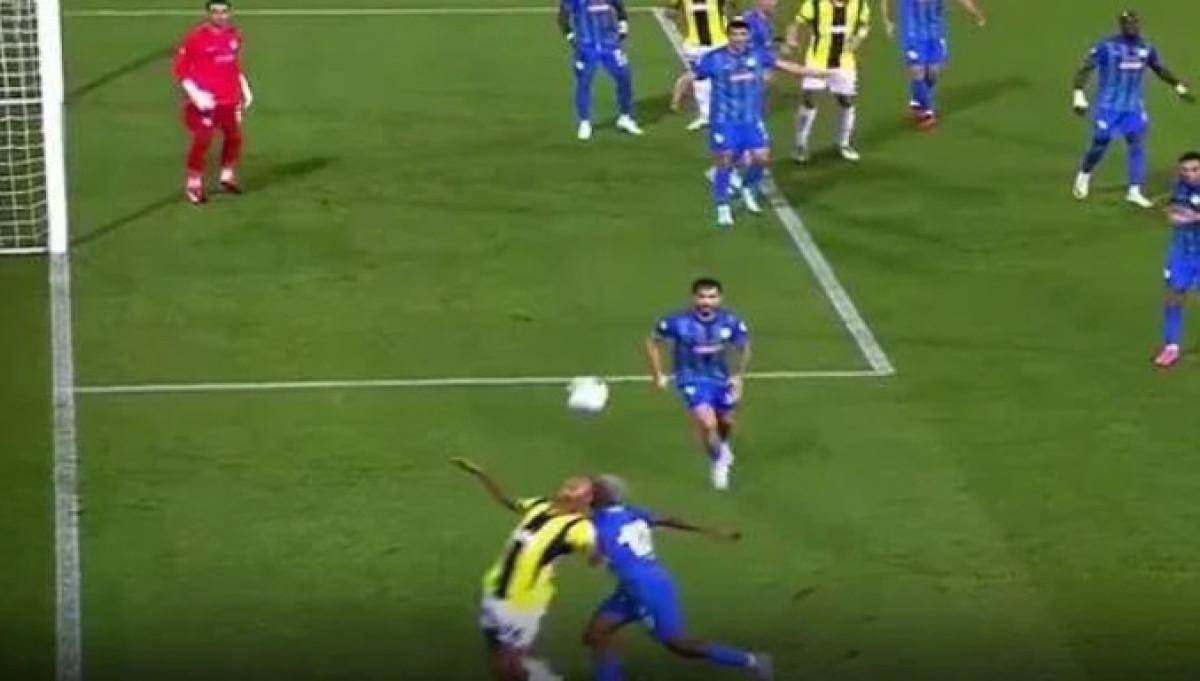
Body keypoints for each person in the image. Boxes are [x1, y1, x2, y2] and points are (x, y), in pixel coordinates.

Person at [582, 474, 772, 680]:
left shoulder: (599, 523)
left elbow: (594, 558)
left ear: (602, 498)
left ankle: (751, 661)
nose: (588, 496)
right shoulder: (631, 512)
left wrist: (596, 553)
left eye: (592, 492)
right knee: (598, 633)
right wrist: (706, 530)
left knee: (679, 644)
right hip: (634, 586)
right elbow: (668, 520)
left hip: (645, 589)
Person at [451, 458, 597, 681]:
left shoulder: (579, 527)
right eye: (569, 484)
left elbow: (594, 556)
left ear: (586, 500)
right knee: (498, 662)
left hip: (522, 604)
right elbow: (508, 502)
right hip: (494, 590)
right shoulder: (539, 505)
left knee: (512, 664)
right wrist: (482, 474)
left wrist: (601, 547)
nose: (567, 490)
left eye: (576, 489)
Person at [674, 20, 828, 226]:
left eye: (743, 35)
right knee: (725, 161)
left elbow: (786, 67)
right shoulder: (714, 58)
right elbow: (689, 77)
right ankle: (722, 206)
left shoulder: (757, 55)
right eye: (735, 34)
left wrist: (817, 73)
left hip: (751, 120)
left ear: (748, 36)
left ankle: (747, 187)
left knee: (761, 158)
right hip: (724, 121)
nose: (739, 39)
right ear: (729, 36)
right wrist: (677, 99)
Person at [1072, 11, 1194, 208]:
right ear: (1121, 26)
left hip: (1133, 107)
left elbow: (1159, 68)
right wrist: (1078, 94)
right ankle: (1084, 174)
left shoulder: (1146, 47)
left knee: (1136, 145)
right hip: (1108, 107)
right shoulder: (1107, 46)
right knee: (1101, 141)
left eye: (1134, 23)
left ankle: (1134, 190)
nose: (1131, 27)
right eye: (1127, 24)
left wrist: (1178, 86)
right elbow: (1086, 68)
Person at [646, 278, 750, 490]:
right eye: (702, 297)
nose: (706, 302)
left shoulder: (730, 321)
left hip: (720, 379)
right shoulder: (677, 322)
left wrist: (738, 377)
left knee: (726, 422)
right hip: (690, 380)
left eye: (712, 297)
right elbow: (652, 341)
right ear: (693, 298)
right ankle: (718, 463)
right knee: (707, 423)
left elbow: (744, 346)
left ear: (720, 299)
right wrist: (658, 374)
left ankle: (722, 447)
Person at [172, 0, 254, 205]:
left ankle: (227, 177)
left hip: (229, 98)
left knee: (234, 137)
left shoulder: (235, 35)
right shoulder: (196, 38)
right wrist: (196, 94)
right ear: (208, 14)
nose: (220, 15)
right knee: (203, 140)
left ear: (230, 13)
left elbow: (233, 64)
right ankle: (193, 184)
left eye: (224, 11)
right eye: (215, 12)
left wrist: (244, 87)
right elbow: (180, 69)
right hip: (206, 101)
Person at [786, 0, 872, 163]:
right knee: (809, 99)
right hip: (817, 61)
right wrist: (791, 39)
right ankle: (800, 144)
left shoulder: (859, 3)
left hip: (844, 62)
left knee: (846, 101)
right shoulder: (815, 3)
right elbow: (796, 23)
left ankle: (844, 143)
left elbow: (864, 25)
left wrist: (858, 38)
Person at [880, 0, 985, 129]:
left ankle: (917, 102)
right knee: (917, 71)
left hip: (936, 33)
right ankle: (927, 112)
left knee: (932, 72)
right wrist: (888, 20)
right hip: (913, 34)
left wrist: (975, 13)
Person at [559, 0, 643, 141]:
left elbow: (619, 6)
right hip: (586, 46)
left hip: (610, 44)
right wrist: (571, 37)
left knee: (624, 77)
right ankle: (584, 122)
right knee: (584, 82)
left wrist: (623, 25)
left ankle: (625, 117)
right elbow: (563, 16)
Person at [1153, 152, 1200, 368]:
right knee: (1174, 296)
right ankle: (1171, 346)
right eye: (1185, 170)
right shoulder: (1179, 188)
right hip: (1181, 252)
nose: (1190, 174)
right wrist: (1181, 216)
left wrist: (1192, 217)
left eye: (1195, 169)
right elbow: (1172, 215)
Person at [672, 0, 732, 131]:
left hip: (717, 43)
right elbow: (672, 7)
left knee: (723, 78)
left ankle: (728, 113)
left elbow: (731, 7)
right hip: (695, 45)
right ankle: (705, 116)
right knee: (700, 81)